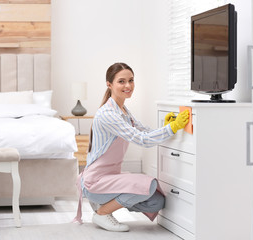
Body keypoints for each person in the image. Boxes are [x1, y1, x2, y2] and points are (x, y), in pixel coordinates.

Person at [73, 62, 189, 232]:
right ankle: (102, 212)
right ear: (109, 84)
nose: (128, 86)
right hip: (95, 182)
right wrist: (172, 128)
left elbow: (145, 131)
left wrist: (166, 127)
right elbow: (142, 140)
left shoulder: (124, 110)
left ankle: (106, 204)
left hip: (110, 178)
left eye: (131, 80)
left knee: (157, 202)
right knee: (147, 185)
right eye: (121, 81)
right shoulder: (108, 114)